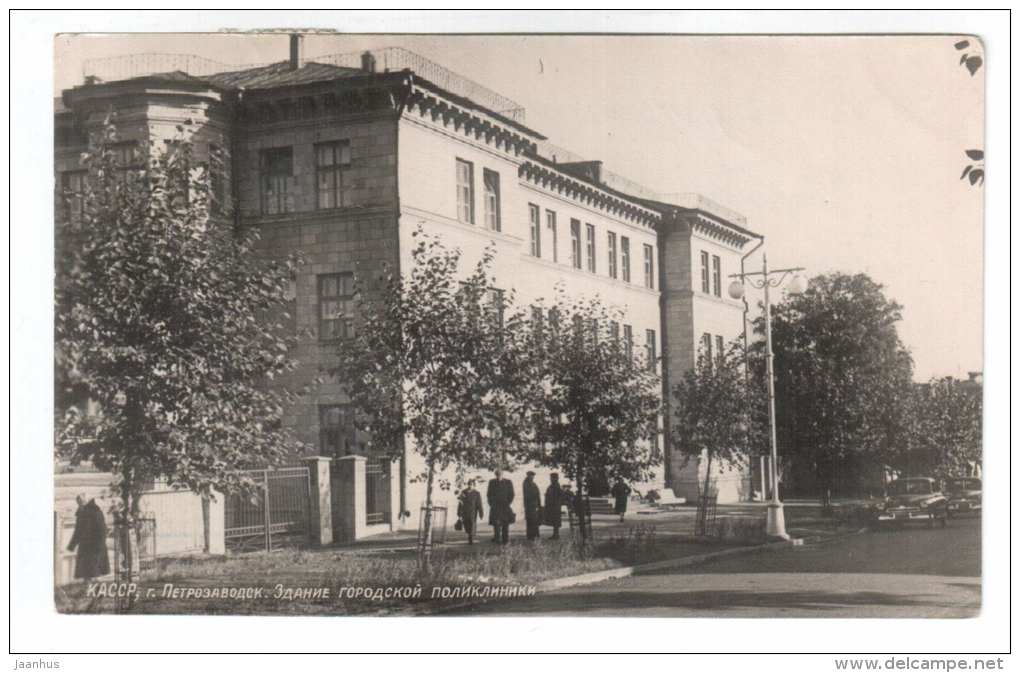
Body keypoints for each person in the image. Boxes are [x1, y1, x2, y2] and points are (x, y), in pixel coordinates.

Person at [67, 494, 110, 581]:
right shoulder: (81, 514)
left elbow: (102, 530)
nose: (80, 504)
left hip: (95, 546)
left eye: (81, 502)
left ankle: (95, 590)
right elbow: (78, 531)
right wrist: (71, 546)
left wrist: (99, 546)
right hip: (84, 547)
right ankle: (87, 590)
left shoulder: (96, 512)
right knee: (86, 572)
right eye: (78, 503)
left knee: (94, 572)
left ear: (86, 501)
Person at [486, 468, 515, 545]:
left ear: (502, 474)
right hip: (495, 507)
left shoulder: (508, 482)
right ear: (495, 475)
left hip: (505, 506)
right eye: (497, 475)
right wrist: (491, 504)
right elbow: (489, 495)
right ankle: (497, 539)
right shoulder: (492, 482)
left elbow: (511, 494)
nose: (498, 476)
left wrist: (507, 503)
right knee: (496, 524)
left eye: (500, 474)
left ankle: (505, 540)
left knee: (505, 523)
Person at [457, 479, 484, 544]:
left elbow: (479, 504)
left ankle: (470, 538)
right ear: (467, 484)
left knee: (472, 525)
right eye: (469, 484)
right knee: (467, 525)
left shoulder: (477, 493)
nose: (470, 486)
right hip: (465, 512)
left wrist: (481, 513)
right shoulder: (463, 492)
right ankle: (469, 535)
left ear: (474, 485)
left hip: (473, 512)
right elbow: (460, 503)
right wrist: (459, 513)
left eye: (471, 485)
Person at [544, 472, 566, 539]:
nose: (550, 479)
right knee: (554, 521)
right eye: (550, 478)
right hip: (553, 506)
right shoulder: (553, 486)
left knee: (555, 521)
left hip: (555, 506)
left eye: (551, 478)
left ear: (555, 478)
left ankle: (556, 535)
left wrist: (557, 503)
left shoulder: (556, 486)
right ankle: (555, 534)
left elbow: (560, 496)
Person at [523, 471, 542, 541]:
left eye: (533, 476)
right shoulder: (526, 484)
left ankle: (534, 535)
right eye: (531, 476)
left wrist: (539, 505)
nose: (532, 477)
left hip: (534, 505)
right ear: (528, 476)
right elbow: (528, 495)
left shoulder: (533, 484)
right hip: (530, 505)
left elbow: (538, 494)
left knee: (534, 520)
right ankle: (531, 535)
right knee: (531, 520)